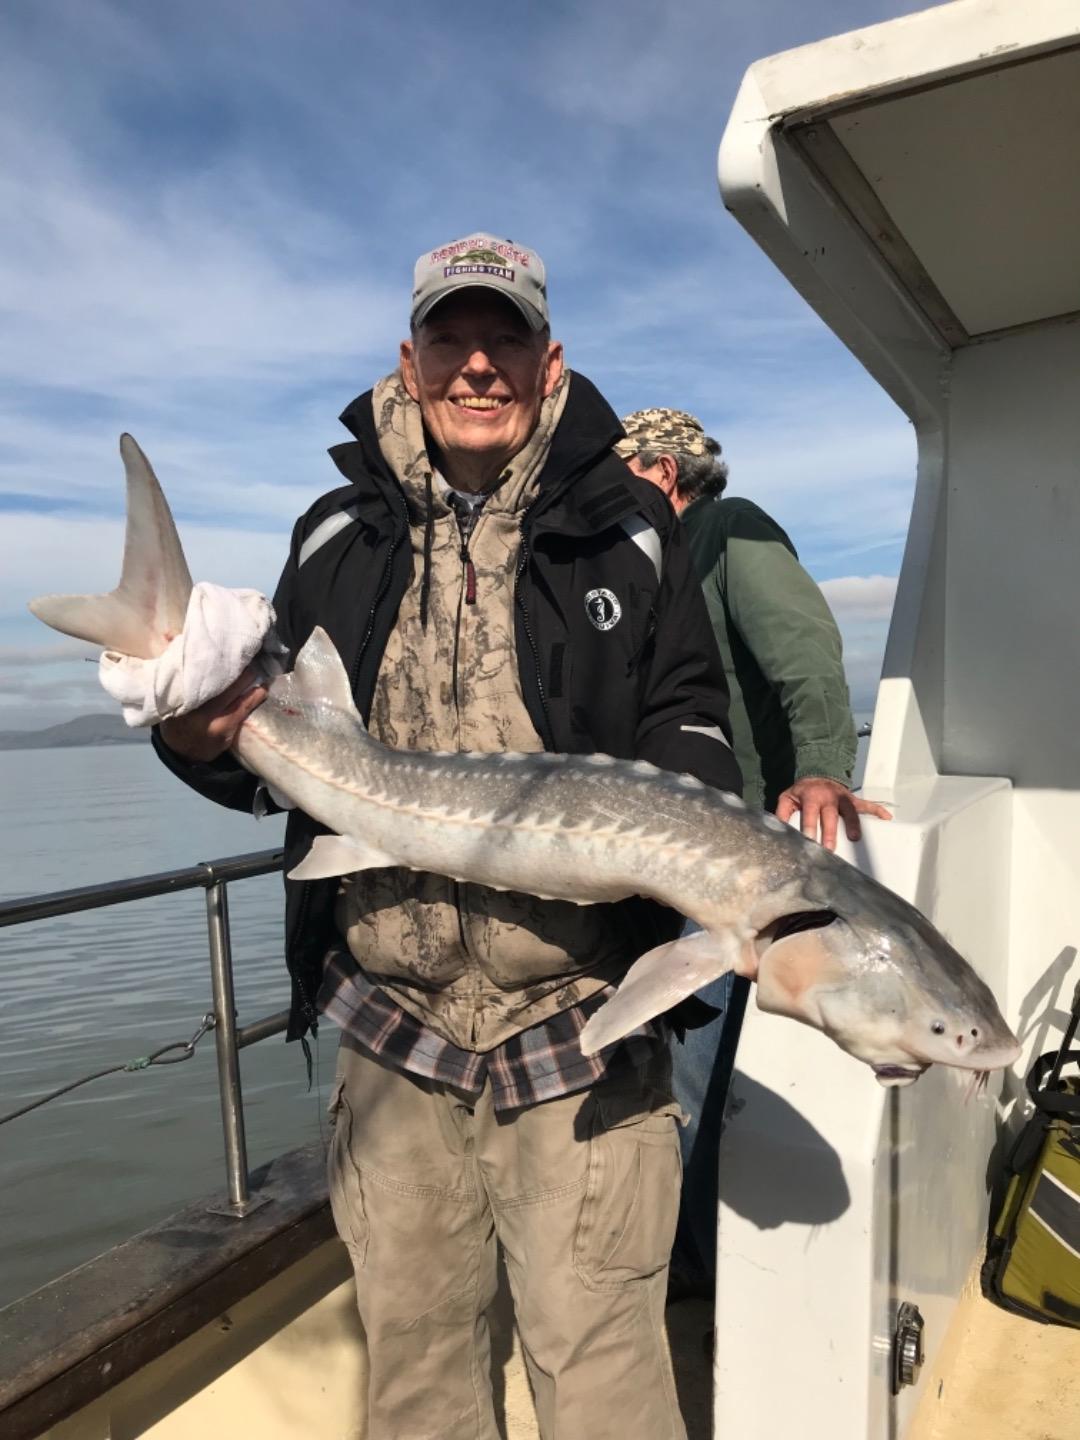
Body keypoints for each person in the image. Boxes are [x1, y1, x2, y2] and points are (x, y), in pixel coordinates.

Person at [150, 237, 742, 1440]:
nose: (479, 365)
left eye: (506, 337)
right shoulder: (333, 534)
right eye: (450, 340)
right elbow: (279, 755)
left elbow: (689, 705)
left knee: (606, 1387)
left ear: (550, 356)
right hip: (392, 1038)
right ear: (409, 360)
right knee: (418, 1386)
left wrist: (696, 842)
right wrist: (196, 738)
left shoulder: (632, 524)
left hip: (582, 1032)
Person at [615, 406, 890, 1301]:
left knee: (694, 1076)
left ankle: (692, 1272)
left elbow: (806, 650)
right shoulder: (650, 559)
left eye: (621, 473)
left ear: (661, 471)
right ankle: (692, 1258)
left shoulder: (730, 530)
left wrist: (820, 767)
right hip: (666, 856)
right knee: (674, 1066)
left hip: (735, 869)